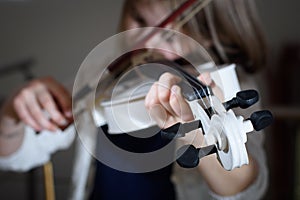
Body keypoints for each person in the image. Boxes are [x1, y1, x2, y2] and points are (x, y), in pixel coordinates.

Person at [0, 0, 268, 199]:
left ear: (213, 34)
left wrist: (201, 135)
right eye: (139, 19)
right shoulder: (102, 77)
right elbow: (16, 156)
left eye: (173, 33)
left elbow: (245, 191)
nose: (152, 46)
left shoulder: (227, 86)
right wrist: (12, 114)